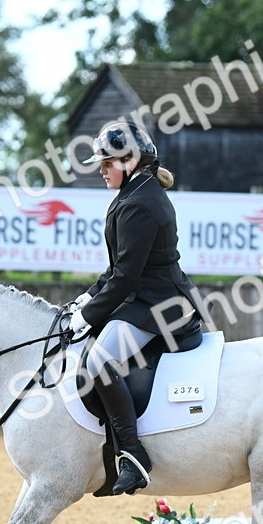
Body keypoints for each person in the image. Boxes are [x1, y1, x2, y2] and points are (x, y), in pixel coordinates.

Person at [68, 120, 203, 496]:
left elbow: (126, 277)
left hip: (162, 305)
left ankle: (134, 454)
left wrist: (89, 316)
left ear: (130, 160)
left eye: (107, 162)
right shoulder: (133, 195)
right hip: (143, 298)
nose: (101, 169)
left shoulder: (140, 204)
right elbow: (116, 270)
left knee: (97, 362)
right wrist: (86, 300)